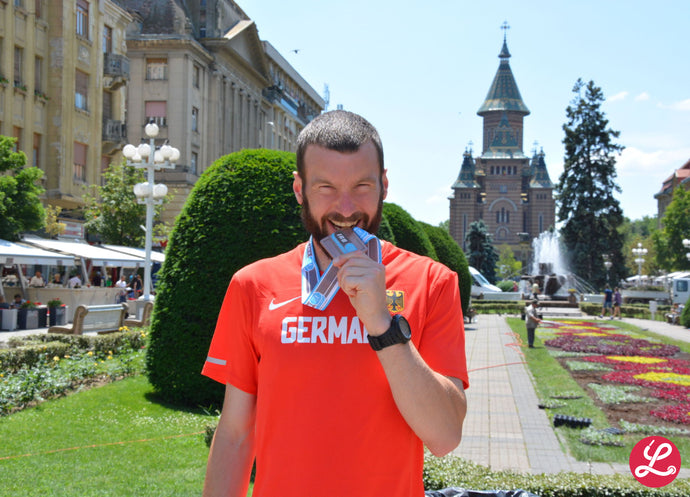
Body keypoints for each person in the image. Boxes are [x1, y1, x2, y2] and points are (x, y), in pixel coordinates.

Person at [202, 110, 468, 497]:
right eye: (326, 187)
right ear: (299, 189)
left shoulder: (433, 282)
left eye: (362, 185)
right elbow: (236, 434)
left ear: (384, 185)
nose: (346, 209)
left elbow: (445, 436)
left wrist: (382, 322)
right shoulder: (253, 285)